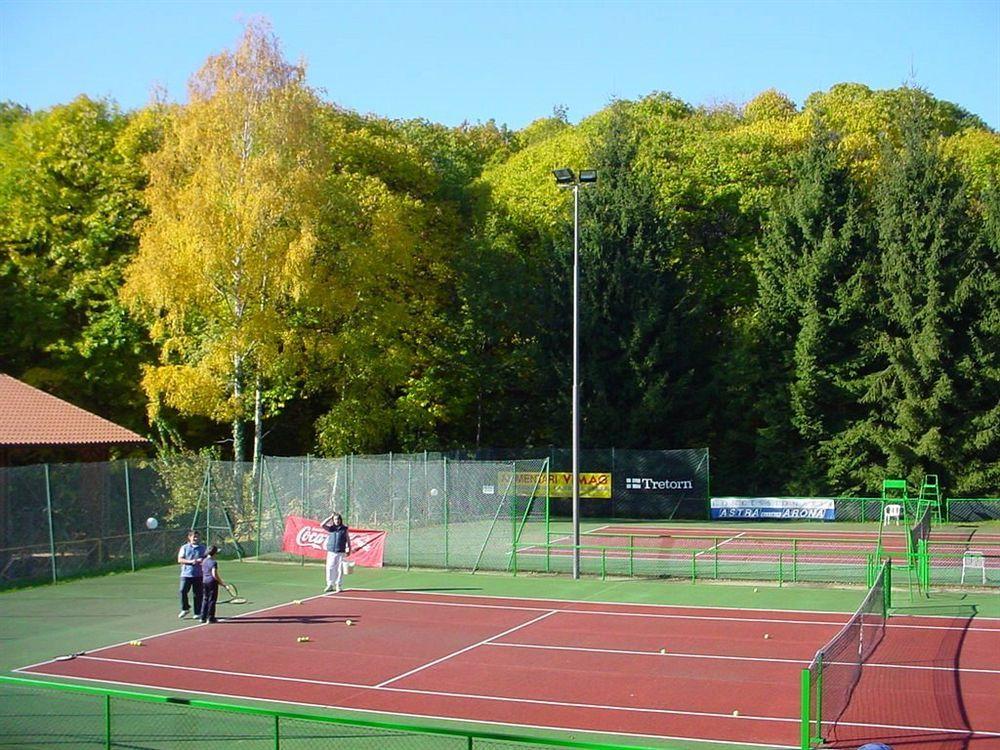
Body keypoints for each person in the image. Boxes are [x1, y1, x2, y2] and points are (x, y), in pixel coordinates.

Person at [177, 530, 206, 618]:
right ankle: (185, 608)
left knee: (197, 594)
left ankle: (197, 613)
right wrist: (191, 561)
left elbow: (207, 559)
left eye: (197, 537)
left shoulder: (203, 548)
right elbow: (180, 559)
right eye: (194, 537)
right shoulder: (184, 547)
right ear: (189, 538)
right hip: (186, 574)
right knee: (182, 591)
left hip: (199, 575)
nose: (196, 538)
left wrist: (202, 561)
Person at [320, 512, 351, 593]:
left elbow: (348, 539)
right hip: (331, 551)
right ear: (333, 520)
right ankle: (330, 584)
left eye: (338, 519)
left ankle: (338, 585)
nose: (337, 521)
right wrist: (330, 517)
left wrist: (349, 548)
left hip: (341, 551)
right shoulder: (331, 528)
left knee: (339, 569)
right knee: (330, 568)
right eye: (335, 519)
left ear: (341, 520)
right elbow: (322, 525)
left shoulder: (344, 529)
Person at [199, 545, 224, 623]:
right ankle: (211, 618)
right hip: (212, 582)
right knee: (212, 600)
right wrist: (221, 583)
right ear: (214, 553)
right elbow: (214, 574)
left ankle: (202, 617)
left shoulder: (204, 561)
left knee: (205, 599)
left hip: (204, 581)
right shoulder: (213, 562)